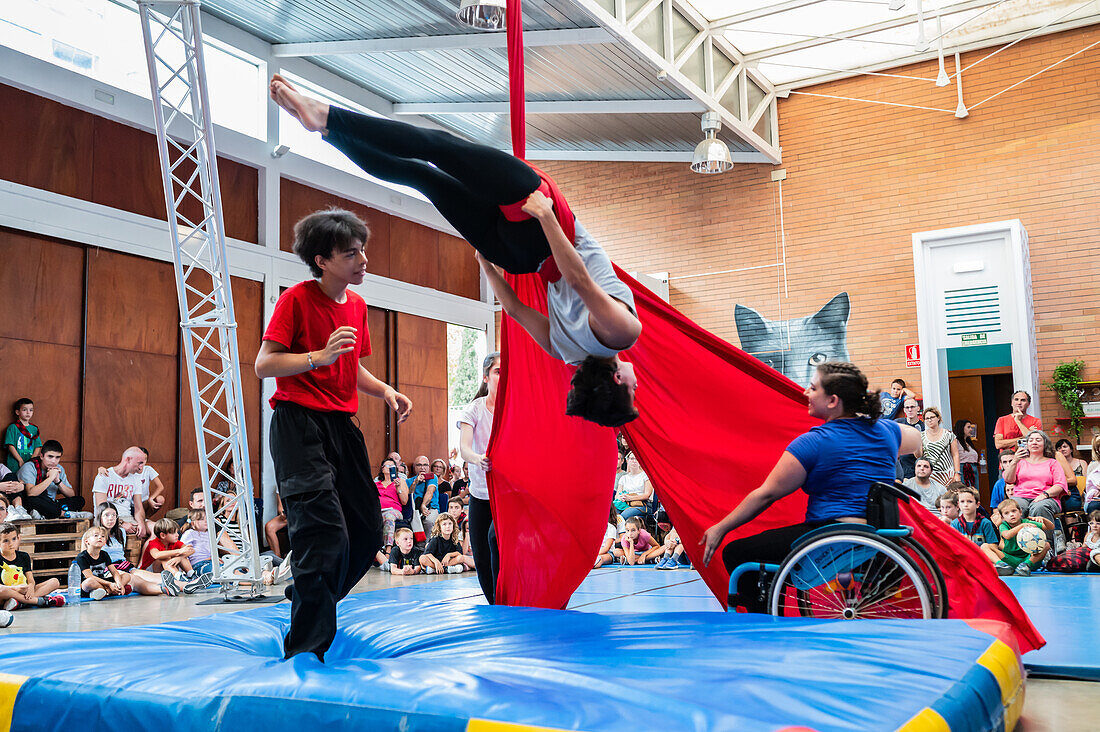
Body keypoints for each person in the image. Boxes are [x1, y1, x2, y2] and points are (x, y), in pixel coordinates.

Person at [270, 75, 641, 428]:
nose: (638, 384)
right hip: (518, 255)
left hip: (543, 228)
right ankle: (329, 132)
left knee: (439, 148)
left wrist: (546, 218)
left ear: (620, 381)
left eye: (633, 390)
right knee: (422, 177)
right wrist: (487, 263)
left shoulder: (622, 333)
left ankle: (327, 116)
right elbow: (513, 309)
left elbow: (578, 280)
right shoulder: (567, 353)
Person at [254, 208, 412, 661]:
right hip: (298, 425)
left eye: (363, 250)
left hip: (341, 426)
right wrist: (316, 357)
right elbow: (265, 364)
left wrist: (384, 390)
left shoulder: (358, 306)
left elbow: (351, 364)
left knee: (365, 532)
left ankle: (309, 595)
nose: (363, 260)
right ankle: (304, 649)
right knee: (323, 534)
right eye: (351, 254)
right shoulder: (297, 300)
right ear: (322, 260)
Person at [701, 361, 923, 612]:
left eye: (812, 388)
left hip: (831, 537)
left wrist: (721, 527)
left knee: (736, 552)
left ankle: (762, 621)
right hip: (874, 537)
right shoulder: (886, 431)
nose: (806, 393)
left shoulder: (813, 443)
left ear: (832, 401)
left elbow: (766, 495)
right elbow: (915, 440)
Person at [457, 352, 501, 603]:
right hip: (480, 493)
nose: (502, 377)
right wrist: (477, 459)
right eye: (497, 372)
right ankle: (494, 604)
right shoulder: (474, 409)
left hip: (506, 495)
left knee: (495, 539)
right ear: (486, 377)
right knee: (482, 557)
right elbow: (464, 448)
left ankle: (507, 600)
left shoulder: (514, 406)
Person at [75, 526, 175, 599]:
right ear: (87, 541)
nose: (100, 538)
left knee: (127, 576)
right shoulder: (82, 557)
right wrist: (109, 584)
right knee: (88, 583)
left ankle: (111, 591)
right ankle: (110, 591)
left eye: (102, 536)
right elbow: (90, 577)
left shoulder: (104, 554)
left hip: (103, 583)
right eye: (96, 536)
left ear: (105, 542)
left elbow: (114, 572)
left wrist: (119, 583)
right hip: (90, 585)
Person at [1004, 430, 1067, 534]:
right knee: (1014, 508)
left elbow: (1060, 485)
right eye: (1031, 440)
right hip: (1021, 497)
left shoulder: (1053, 463)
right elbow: (1009, 480)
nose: (1034, 442)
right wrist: (1014, 461)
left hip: (1046, 497)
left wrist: (1045, 494)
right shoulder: (1020, 462)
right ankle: (1016, 544)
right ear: (1027, 444)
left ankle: (1046, 545)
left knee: (1039, 507)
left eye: (1038, 440)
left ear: (1045, 444)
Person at [0, 523, 63, 610]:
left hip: (24, 590)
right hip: (8, 592)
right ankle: (39, 601)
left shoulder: (24, 556)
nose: (11, 544)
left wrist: (30, 587)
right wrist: (15, 588)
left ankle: (19, 603)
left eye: (14, 539)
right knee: (2, 590)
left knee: (55, 582)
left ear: (18, 538)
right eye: (6, 541)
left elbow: (30, 579)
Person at [981, 499, 1051, 576]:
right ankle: (1001, 565)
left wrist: (1043, 519)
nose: (1011, 514)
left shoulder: (1027, 522)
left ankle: (1026, 566)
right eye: (1006, 513)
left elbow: (1050, 527)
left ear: (1020, 512)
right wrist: (1021, 526)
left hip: (1029, 559)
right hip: (1009, 560)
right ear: (1002, 518)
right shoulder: (1003, 525)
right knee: (985, 546)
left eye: (1014, 511)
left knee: (1046, 544)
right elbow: (1007, 535)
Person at [16, 440, 84, 519]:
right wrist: (51, 477)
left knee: (80, 500)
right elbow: (31, 493)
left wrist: (57, 481)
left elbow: (71, 495)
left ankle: (45, 514)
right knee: (32, 501)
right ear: (42, 456)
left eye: (57, 457)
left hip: (51, 503)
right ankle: (63, 513)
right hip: (35, 502)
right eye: (50, 457)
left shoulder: (59, 468)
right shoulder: (29, 467)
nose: (53, 461)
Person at [92, 447, 149, 538]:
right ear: (128, 459)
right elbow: (101, 508)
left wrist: (141, 523)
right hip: (107, 519)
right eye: (140, 463)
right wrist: (121, 523)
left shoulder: (136, 478)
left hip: (128, 518)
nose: (141, 468)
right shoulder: (104, 476)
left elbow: (138, 508)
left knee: (157, 529)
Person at [374, 458, 408, 569]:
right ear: (382, 469)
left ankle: (388, 551)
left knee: (388, 516)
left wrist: (398, 488)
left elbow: (404, 501)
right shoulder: (376, 484)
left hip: (394, 511)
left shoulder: (400, 482)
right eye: (386, 466)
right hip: (378, 511)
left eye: (391, 466)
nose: (389, 468)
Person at [919, 407, 960, 489]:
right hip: (930, 474)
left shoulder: (948, 434)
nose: (929, 420)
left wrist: (957, 473)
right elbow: (919, 456)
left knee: (949, 498)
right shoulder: (921, 436)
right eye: (927, 418)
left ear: (938, 418)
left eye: (932, 417)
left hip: (947, 474)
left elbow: (955, 455)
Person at [3, 398, 41, 473]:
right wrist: (20, 460)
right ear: (17, 412)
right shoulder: (13, 427)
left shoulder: (34, 429)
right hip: (15, 463)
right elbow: (10, 445)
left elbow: (38, 446)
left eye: (31, 410)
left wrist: (31, 461)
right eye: (24, 410)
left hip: (30, 462)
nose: (28, 412)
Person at [615, 452, 655, 520]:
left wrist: (630, 498)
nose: (634, 461)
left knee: (624, 515)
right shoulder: (624, 478)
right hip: (625, 503)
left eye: (636, 459)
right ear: (627, 461)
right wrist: (621, 497)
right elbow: (617, 495)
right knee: (611, 513)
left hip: (641, 504)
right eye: (632, 459)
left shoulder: (645, 476)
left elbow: (647, 495)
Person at [408, 456, 440, 537]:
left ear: (429, 467)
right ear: (414, 467)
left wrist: (423, 505)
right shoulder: (409, 481)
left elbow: (430, 491)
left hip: (431, 508)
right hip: (414, 510)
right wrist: (416, 482)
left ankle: (425, 547)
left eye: (425, 465)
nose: (422, 467)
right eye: (419, 465)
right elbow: (409, 494)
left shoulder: (432, 477)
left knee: (428, 521)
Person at [895, 397, 924, 479]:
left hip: (917, 469)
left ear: (918, 408)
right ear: (904, 410)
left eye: (912, 407)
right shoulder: (898, 423)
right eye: (907, 407)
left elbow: (920, 455)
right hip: (900, 469)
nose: (910, 410)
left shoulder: (923, 427)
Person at [1055, 438, 1087, 512]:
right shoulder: (1056, 465)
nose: (1062, 449)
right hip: (1065, 492)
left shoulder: (1082, 463)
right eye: (1059, 448)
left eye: (1065, 447)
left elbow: (1087, 482)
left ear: (1071, 449)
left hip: (1080, 494)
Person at [954, 420, 980, 489]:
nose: (971, 429)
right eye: (968, 427)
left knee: (974, 491)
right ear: (962, 428)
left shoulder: (969, 442)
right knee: (965, 491)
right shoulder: (956, 442)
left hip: (973, 469)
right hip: (963, 469)